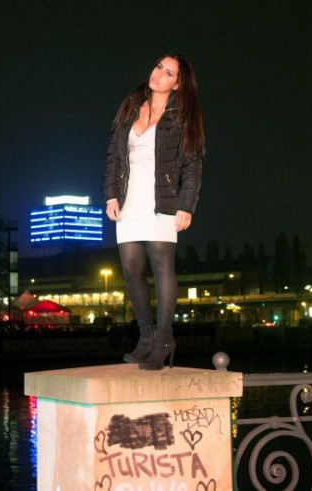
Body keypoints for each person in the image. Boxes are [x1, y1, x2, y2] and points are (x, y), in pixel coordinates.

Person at [102, 53, 206, 370]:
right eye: (159, 67)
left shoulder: (183, 117)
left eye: (168, 72)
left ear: (178, 84)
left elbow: (193, 165)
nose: (159, 73)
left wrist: (186, 205)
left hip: (163, 199)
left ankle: (164, 339)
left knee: (162, 266)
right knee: (131, 269)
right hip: (129, 198)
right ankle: (146, 337)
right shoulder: (132, 106)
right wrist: (110, 195)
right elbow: (114, 156)